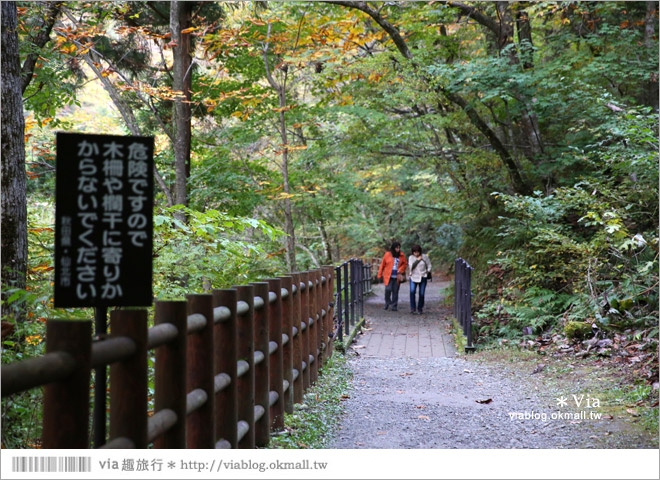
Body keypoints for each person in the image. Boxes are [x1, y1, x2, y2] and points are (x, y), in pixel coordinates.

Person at [377, 242, 408, 311]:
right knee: (388, 290)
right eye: (397, 248)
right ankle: (387, 302)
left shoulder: (402, 255)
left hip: (397, 277)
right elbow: (382, 265)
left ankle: (394, 305)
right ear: (393, 248)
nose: (398, 249)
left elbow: (405, 264)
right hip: (388, 276)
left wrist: (400, 270)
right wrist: (379, 274)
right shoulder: (387, 254)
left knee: (395, 291)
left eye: (399, 248)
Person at [407, 244, 432, 315]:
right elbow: (411, 266)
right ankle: (413, 307)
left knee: (421, 293)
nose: (416, 254)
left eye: (417, 252)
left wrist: (428, 271)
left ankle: (420, 308)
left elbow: (429, 265)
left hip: (423, 276)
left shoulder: (425, 257)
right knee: (412, 291)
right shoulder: (411, 258)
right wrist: (417, 260)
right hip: (413, 276)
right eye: (414, 252)